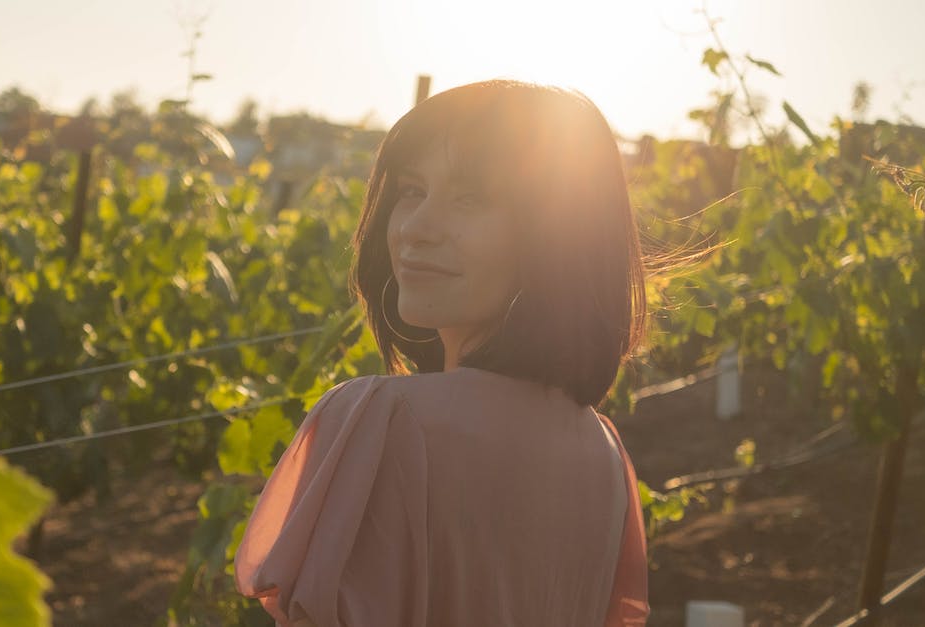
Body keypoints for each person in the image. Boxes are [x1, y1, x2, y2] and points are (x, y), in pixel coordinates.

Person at [234, 79, 650, 627]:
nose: (415, 229)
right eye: (411, 191)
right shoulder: (604, 455)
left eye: (470, 198)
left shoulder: (384, 421)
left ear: (555, 236)